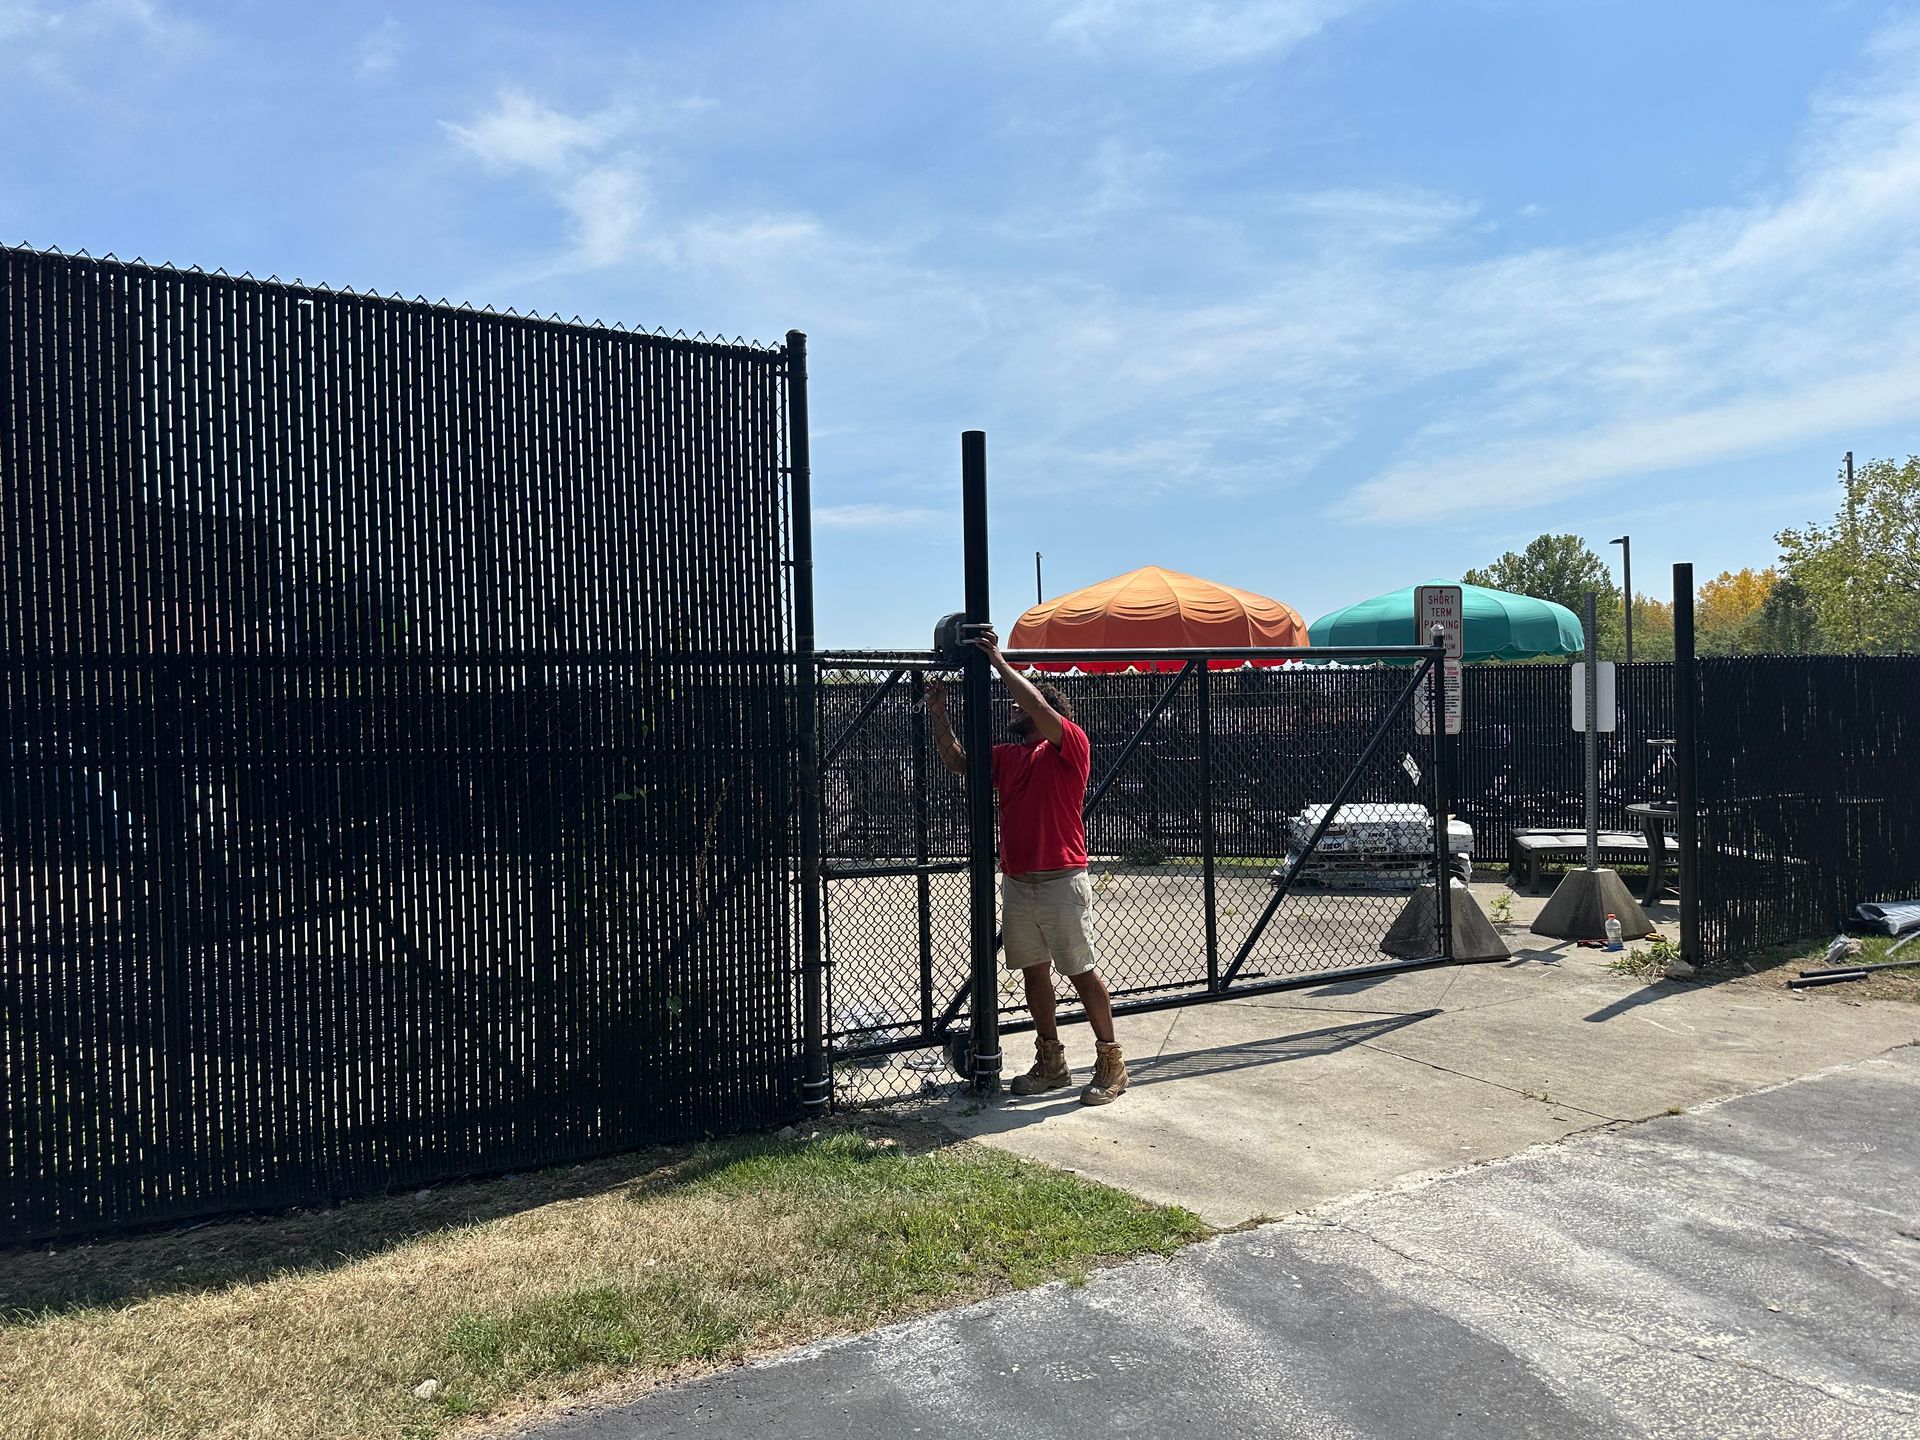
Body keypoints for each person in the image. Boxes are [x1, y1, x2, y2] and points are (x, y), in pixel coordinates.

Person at [925, 627, 1127, 1105]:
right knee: (1034, 972)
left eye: (1019, 707)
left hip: (1061, 878)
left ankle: (1111, 1061)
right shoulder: (1010, 757)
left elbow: (1036, 705)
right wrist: (939, 715)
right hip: (1018, 880)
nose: (1013, 710)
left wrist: (998, 660)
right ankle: (1051, 1061)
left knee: (1079, 970)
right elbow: (958, 761)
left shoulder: (1069, 745)